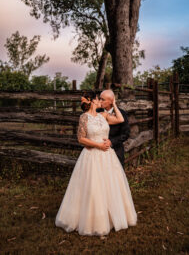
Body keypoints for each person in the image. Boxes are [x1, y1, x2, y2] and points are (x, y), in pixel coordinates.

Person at [55, 91, 137, 236]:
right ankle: (94, 219)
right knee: (93, 186)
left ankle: (112, 216)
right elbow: (81, 139)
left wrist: (115, 104)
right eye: (98, 99)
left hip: (108, 157)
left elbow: (120, 120)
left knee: (110, 185)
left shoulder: (103, 115)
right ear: (92, 101)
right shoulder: (84, 117)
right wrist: (98, 145)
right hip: (92, 156)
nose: (100, 100)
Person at [97, 89, 130, 168]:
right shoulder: (97, 112)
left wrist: (111, 142)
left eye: (103, 99)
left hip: (116, 149)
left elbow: (126, 134)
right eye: (99, 98)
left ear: (111, 101)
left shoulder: (122, 113)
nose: (100, 101)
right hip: (98, 149)